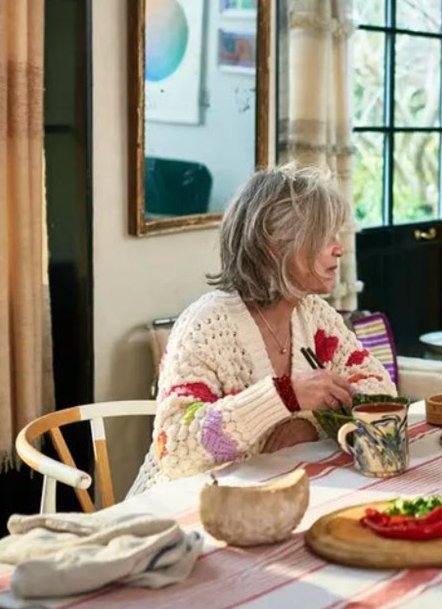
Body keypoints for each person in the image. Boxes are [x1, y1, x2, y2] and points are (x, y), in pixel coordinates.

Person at [148, 164, 395, 483]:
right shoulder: (205, 326)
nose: (339, 248)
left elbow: (381, 392)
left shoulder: (313, 315)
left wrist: (310, 425)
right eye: (324, 237)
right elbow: (176, 450)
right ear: (273, 246)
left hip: (284, 489)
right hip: (191, 501)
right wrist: (283, 397)